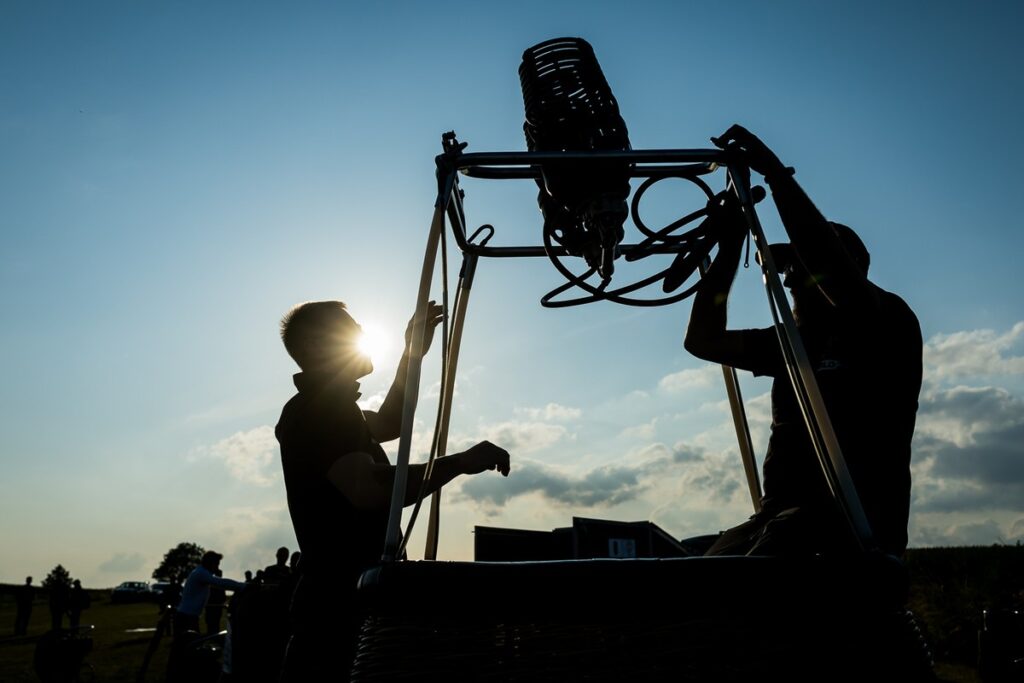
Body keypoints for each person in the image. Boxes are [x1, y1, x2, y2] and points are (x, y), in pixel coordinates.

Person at [684, 124, 922, 558]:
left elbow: (830, 265)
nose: (789, 276)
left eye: (801, 266)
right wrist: (728, 249)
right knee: (697, 572)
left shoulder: (886, 323)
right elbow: (703, 340)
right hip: (776, 515)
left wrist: (777, 176)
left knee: (759, 571)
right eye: (788, 267)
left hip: (849, 524)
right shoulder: (790, 342)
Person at [275, 299, 512, 681]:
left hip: (335, 602)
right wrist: (458, 464)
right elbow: (368, 490)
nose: (363, 335)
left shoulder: (330, 409)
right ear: (318, 346)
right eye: (351, 329)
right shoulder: (319, 410)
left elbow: (389, 422)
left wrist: (412, 352)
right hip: (337, 609)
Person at [174, 551, 246, 636]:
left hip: (187, 616)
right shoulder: (201, 573)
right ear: (210, 563)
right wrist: (243, 586)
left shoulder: (199, 572)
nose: (217, 567)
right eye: (216, 564)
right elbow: (220, 583)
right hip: (187, 617)